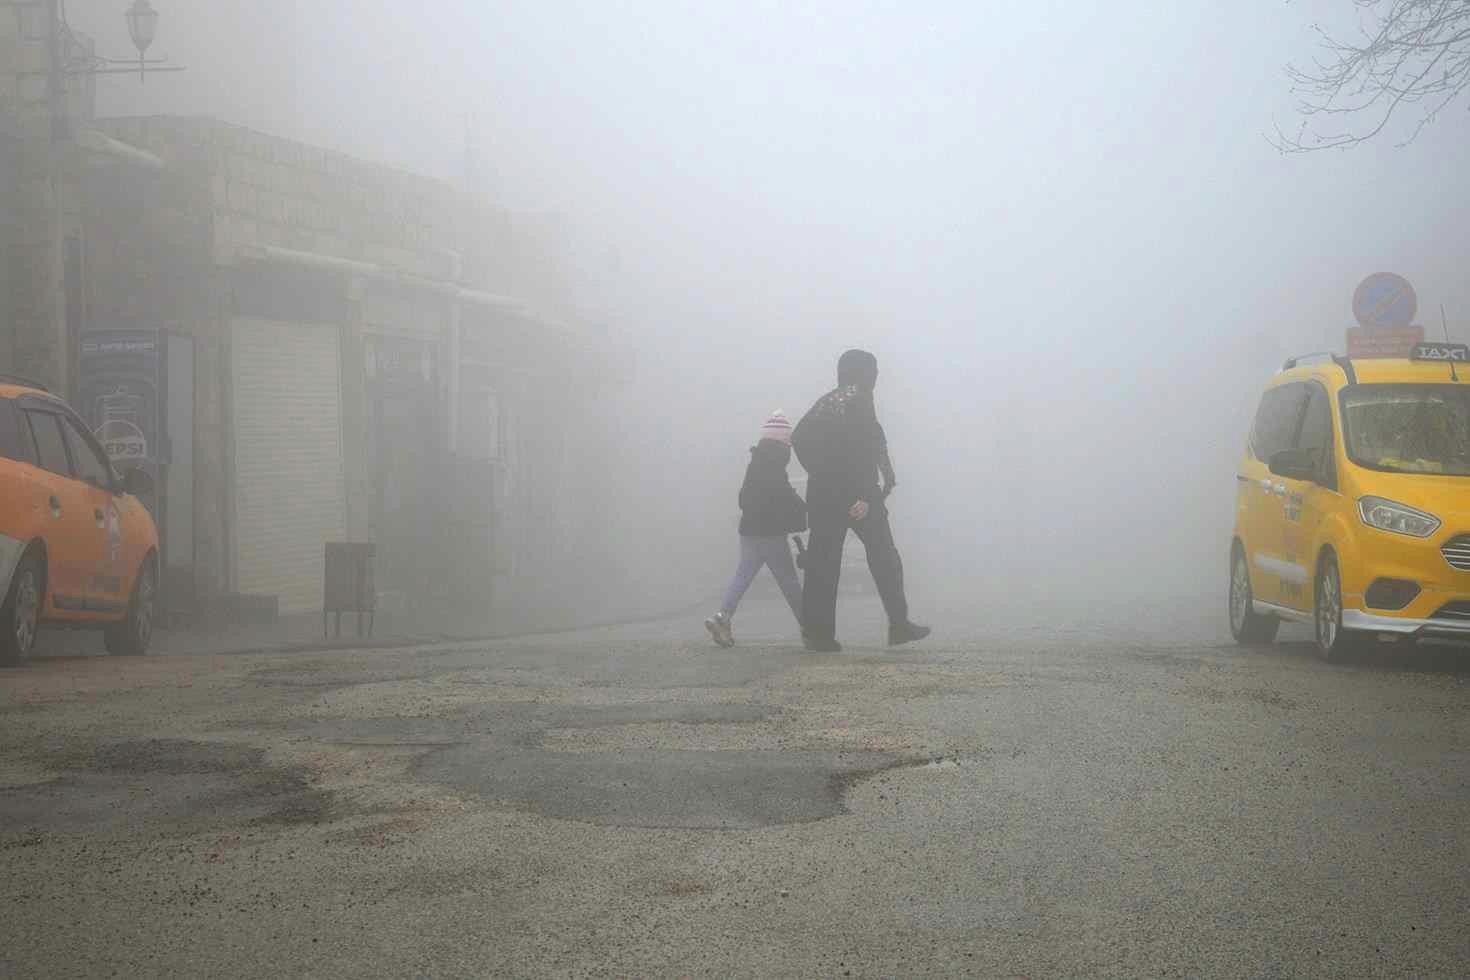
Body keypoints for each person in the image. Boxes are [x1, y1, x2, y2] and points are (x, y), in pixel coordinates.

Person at [792, 349, 930, 652]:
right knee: (884, 557)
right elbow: (860, 451)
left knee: (823, 563)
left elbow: (803, 439)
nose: (877, 376)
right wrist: (863, 494)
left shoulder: (831, 401)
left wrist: (824, 476)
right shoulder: (856, 398)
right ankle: (899, 624)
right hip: (854, 497)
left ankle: (818, 634)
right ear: (862, 372)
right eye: (873, 370)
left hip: (830, 496)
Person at [705, 411, 808, 648]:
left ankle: (722, 617)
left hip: (749, 532)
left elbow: (743, 499)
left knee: (743, 576)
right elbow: (785, 497)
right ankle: (810, 627)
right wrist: (805, 509)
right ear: (783, 444)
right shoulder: (775, 468)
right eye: (788, 444)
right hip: (770, 534)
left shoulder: (756, 464)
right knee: (789, 582)